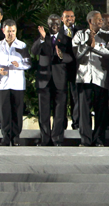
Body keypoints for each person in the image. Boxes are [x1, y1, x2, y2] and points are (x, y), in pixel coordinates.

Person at [72, 11, 109, 147]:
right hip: (84, 78)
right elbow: (77, 55)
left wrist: (93, 46)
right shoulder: (79, 35)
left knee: (101, 111)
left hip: (100, 78)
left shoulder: (108, 36)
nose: (101, 21)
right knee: (84, 111)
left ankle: (99, 140)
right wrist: (87, 45)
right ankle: (85, 140)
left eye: (101, 19)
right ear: (90, 21)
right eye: (98, 19)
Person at [31, 14, 72, 146]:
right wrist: (41, 39)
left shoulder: (66, 39)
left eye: (56, 25)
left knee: (60, 112)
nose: (54, 27)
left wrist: (62, 56)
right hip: (44, 81)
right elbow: (34, 51)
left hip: (60, 80)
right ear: (48, 25)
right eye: (52, 24)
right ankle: (45, 139)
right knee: (44, 112)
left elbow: (71, 57)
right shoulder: (43, 38)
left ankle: (57, 139)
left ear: (60, 25)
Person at [0, 19, 31, 146]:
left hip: (17, 83)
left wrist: (20, 65)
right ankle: (6, 137)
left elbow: (28, 63)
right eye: (8, 31)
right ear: (3, 31)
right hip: (3, 83)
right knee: (4, 111)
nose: (10, 34)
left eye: (13, 31)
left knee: (17, 111)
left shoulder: (22, 45)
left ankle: (16, 137)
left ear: (16, 31)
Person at [61, 9, 80, 130]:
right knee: (62, 98)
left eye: (72, 16)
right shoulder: (57, 31)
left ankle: (77, 124)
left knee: (76, 98)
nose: (70, 19)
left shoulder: (79, 31)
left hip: (75, 69)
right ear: (62, 19)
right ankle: (61, 126)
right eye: (67, 16)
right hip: (61, 70)